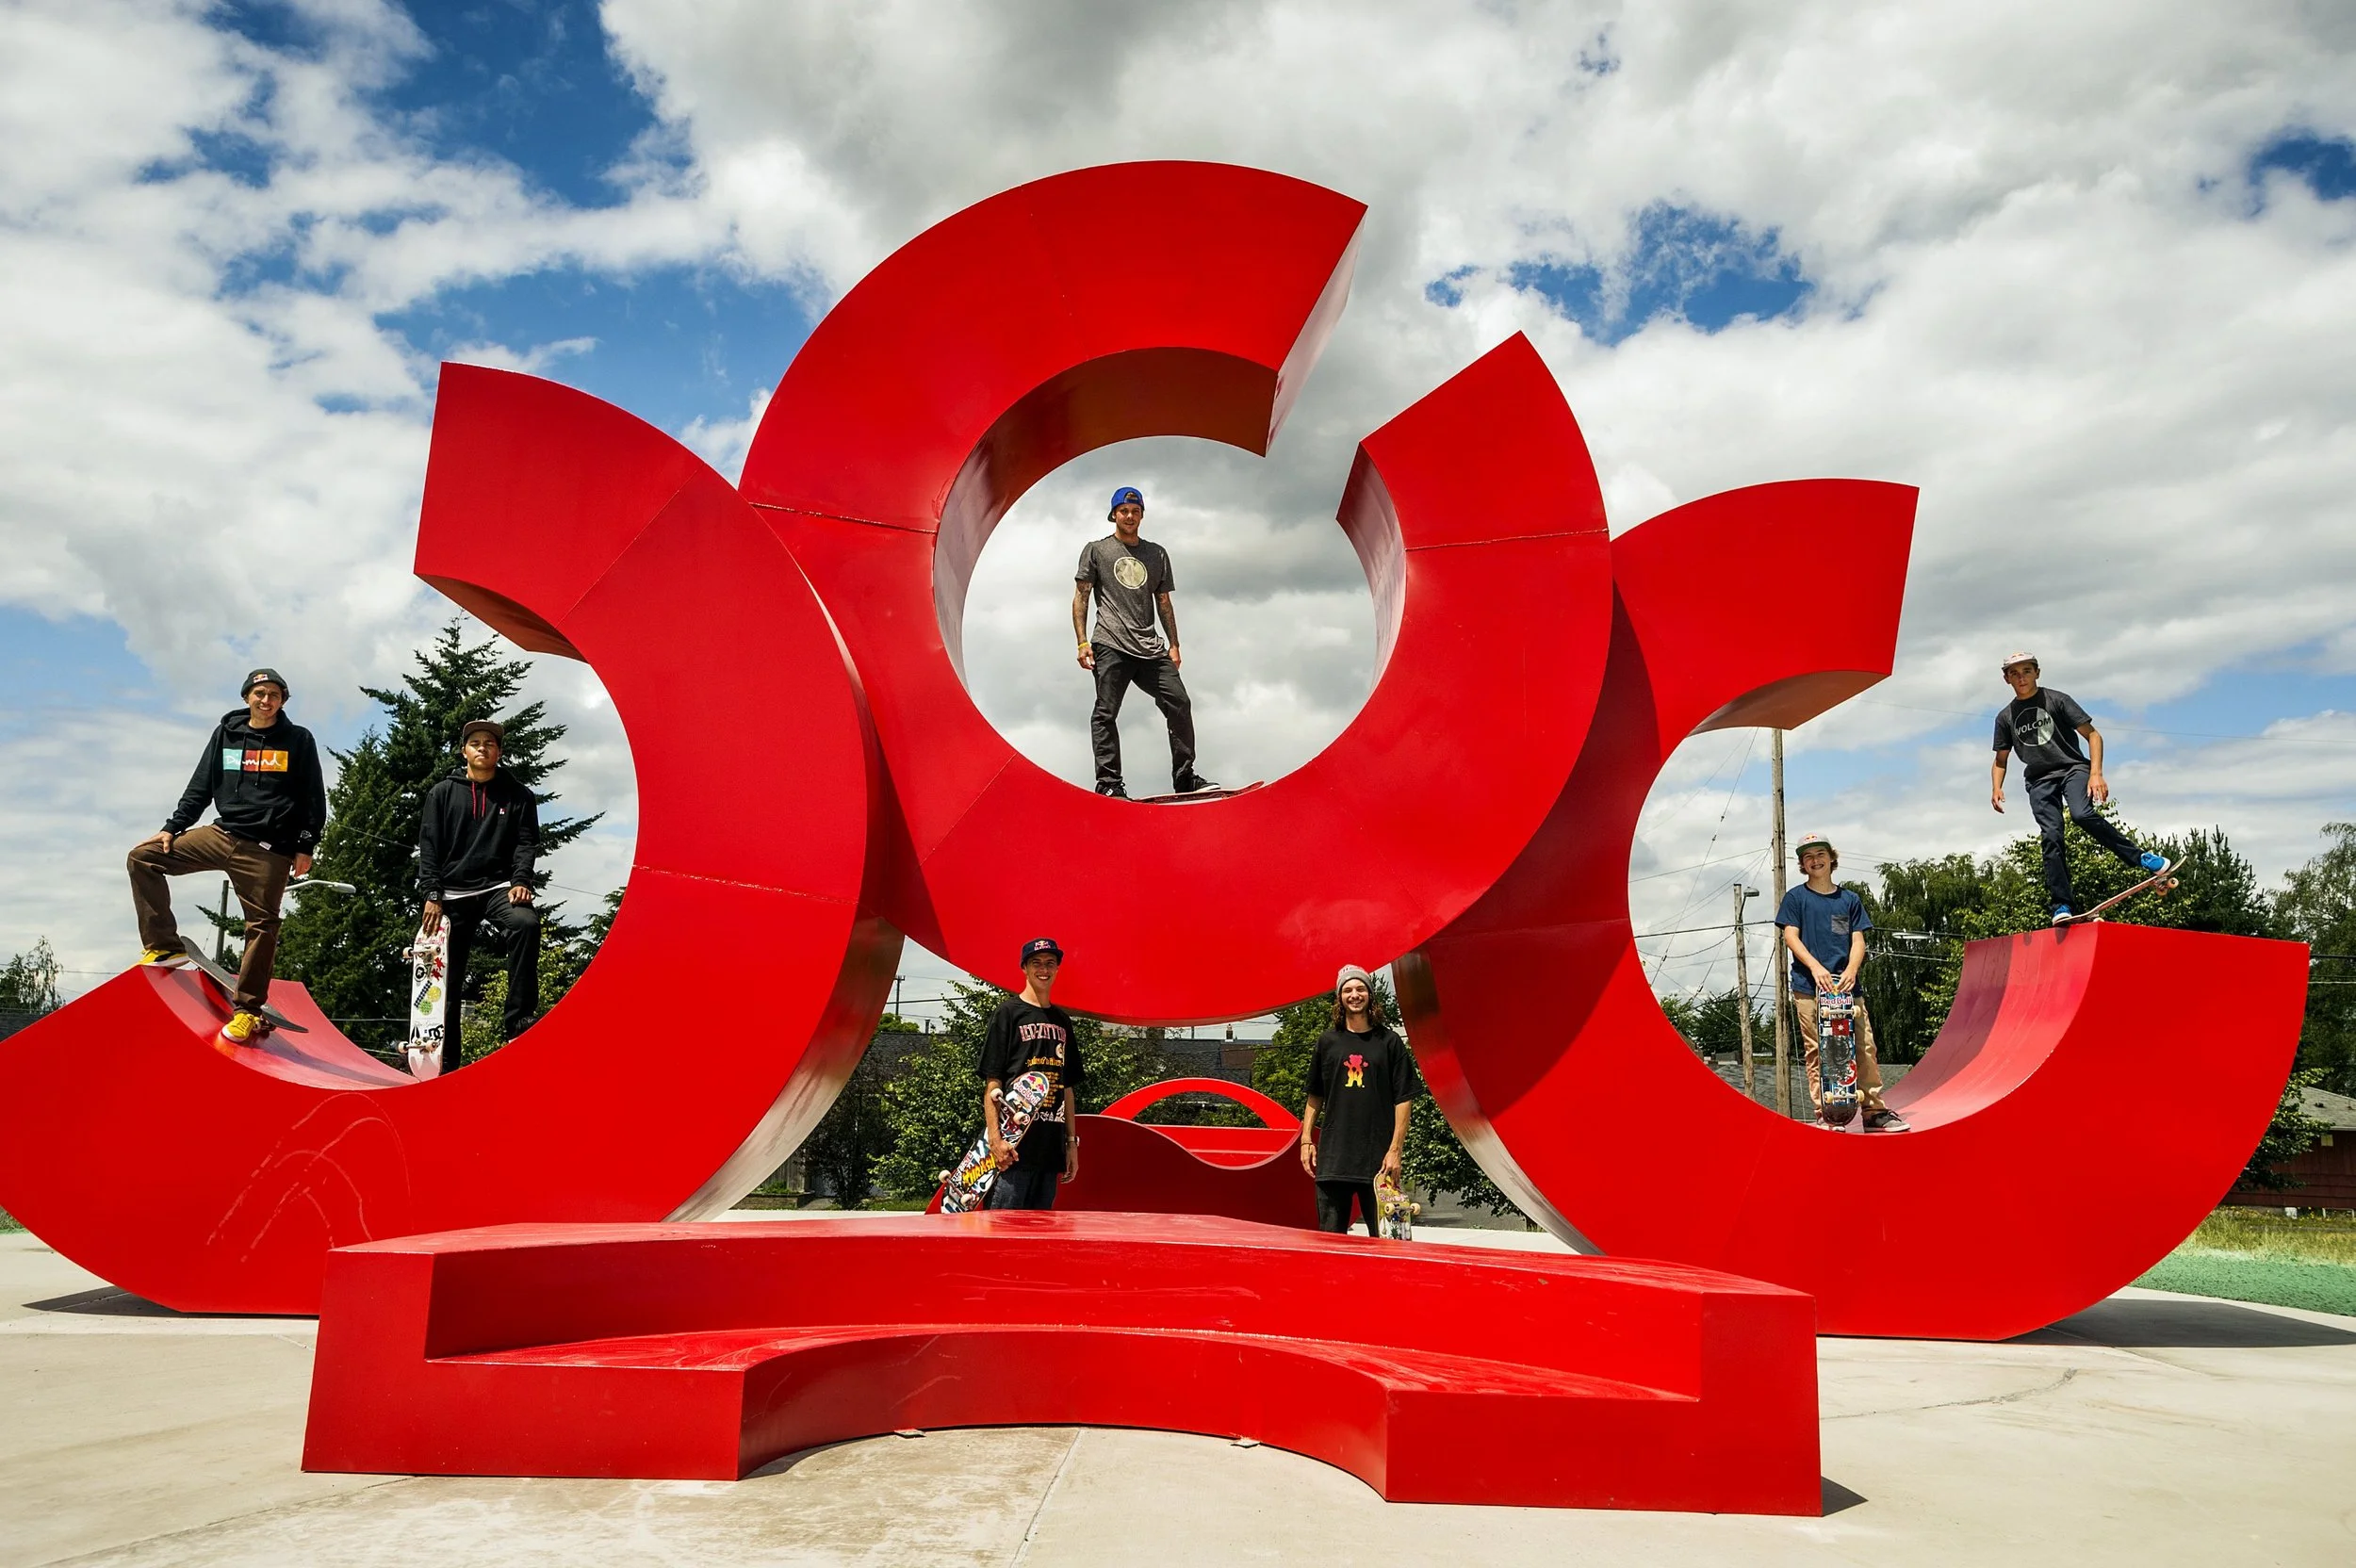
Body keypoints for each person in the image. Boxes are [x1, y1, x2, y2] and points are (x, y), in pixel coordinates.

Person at [128, 666, 326, 1044]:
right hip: (222, 834)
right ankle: (164, 945)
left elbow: (313, 798)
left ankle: (248, 1011)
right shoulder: (226, 735)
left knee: (262, 925)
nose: (266, 701)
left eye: (274, 695)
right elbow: (200, 787)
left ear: (283, 701)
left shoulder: (298, 740)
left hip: (269, 849)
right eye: (259, 694)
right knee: (142, 857)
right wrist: (172, 827)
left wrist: (305, 845)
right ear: (246, 697)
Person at [1989, 651, 2169, 923]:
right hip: (2039, 780)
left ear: (2037, 672)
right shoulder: (2006, 717)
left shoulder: (2058, 700)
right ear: (2006, 679)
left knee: (2082, 814)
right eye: (2014, 673)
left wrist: (2095, 773)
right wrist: (1996, 787)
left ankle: (2142, 858)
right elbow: (2001, 759)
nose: (2021, 677)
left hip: (2073, 768)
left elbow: (2093, 735)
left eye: (2026, 671)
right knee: (2051, 836)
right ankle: (2062, 905)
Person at [1073, 485, 1219, 799]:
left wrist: (1174, 643)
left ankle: (1185, 778)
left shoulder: (1156, 554)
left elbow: (1163, 600)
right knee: (1106, 712)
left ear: (1141, 516)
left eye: (1135, 511)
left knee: (1179, 702)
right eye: (1124, 511)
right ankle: (1109, 783)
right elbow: (1081, 596)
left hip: (1150, 647)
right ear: (1114, 514)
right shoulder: (1097, 551)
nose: (1129, 516)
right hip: (1110, 643)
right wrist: (1082, 642)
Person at [417, 720, 542, 1070]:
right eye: (475, 742)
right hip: (450, 894)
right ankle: (446, 1063)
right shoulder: (442, 793)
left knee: (525, 923)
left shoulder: (519, 796)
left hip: (498, 888)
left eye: (490, 743)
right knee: (446, 978)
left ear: (499, 752)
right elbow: (429, 846)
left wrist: (521, 880)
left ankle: (518, 1021)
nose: (483, 747)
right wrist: (432, 892)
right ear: (464, 751)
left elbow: (526, 843)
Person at [1775, 834, 1909, 1132]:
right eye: (1808, 856)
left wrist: (1851, 969)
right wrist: (1815, 967)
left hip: (1847, 988)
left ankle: (1874, 1112)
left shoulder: (1849, 900)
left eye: (1820, 853)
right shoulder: (1796, 898)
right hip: (1811, 988)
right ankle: (1827, 1113)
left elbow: (1858, 940)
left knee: (1863, 1046)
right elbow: (1791, 936)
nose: (1815, 860)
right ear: (1802, 863)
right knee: (1819, 1049)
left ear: (1831, 858)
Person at [1299, 964, 1422, 1234]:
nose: (1354, 995)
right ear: (1340, 998)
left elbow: (1404, 1098)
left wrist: (1395, 1151)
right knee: (1331, 1246)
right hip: (1334, 1158)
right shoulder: (1327, 1042)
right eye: (1348, 990)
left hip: (1379, 1162)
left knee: (1390, 1241)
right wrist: (1306, 1139)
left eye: (1360, 988)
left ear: (1370, 995)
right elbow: (1315, 1094)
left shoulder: (1389, 1042)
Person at [979, 937, 1087, 1210]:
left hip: (1050, 1148)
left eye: (1050, 963)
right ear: (1024, 968)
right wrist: (995, 1140)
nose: (1044, 969)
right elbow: (993, 1082)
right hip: (1013, 1148)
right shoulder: (1008, 1013)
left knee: (1037, 1237)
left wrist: (1071, 1144)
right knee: (1003, 1233)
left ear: (1057, 969)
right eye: (1036, 963)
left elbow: (1068, 1087)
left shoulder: (1062, 1021)